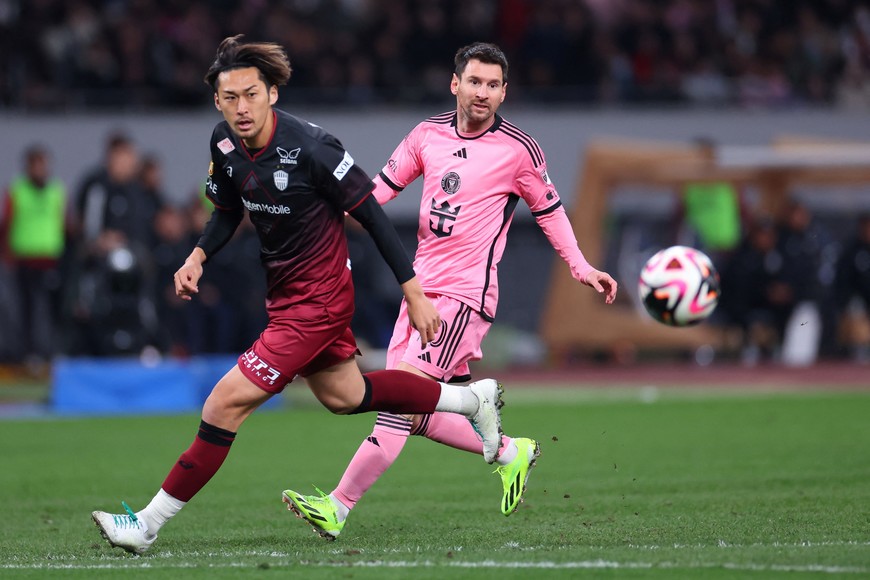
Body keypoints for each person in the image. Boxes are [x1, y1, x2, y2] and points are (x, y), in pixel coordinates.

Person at [91, 35, 505, 555]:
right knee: (346, 396)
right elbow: (226, 211)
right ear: (217, 102)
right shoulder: (223, 143)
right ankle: (471, 398)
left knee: (222, 405)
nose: (241, 108)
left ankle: (146, 525)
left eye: (251, 95)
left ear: (272, 94)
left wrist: (414, 291)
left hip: (320, 303)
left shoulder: (313, 147)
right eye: (230, 98)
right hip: (286, 299)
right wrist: (197, 256)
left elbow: (372, 215)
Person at [282, 42, 618, 540]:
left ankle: (337, 506)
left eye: (493, 85)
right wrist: (323, 213)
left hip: (463, 296)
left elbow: (549, 210)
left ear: (505, 92)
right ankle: (509, 451)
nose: (482, 92)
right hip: (418, 290)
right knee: (415, 409)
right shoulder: (427, 135)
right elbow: (376, 195)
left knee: (397, 402)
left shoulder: (519, 150)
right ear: (454, 83)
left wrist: (580, 265)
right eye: (474, 81)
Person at [0, 145, 68, 366]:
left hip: (50, 259)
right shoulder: (16, 191)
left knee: (52, 310)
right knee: (25, 310)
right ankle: (26, 354)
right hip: (24, 259)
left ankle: (50, 352)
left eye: (44, 164)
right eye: (36, 165)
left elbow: (63, 222)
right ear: (28, 167)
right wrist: (7, 255)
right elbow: (7, 224)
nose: (41, 169)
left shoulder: (56, 190)